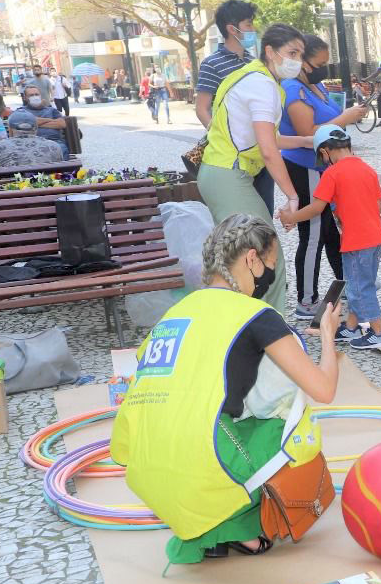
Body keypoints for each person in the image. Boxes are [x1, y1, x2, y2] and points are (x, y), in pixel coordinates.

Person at [111, 214, 341, 565]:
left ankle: (205, 526)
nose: (269, 276)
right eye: (270, 265)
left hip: (145, 467)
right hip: (204, 462)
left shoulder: (176, 312)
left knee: (216, 418)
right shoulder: (256, 315)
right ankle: (240, 527)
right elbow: (323, 389)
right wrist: (327, 333)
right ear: (251, 258)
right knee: (288, 423)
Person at [199, 23, 314, 310]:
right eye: (291, 52)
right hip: (228, 175)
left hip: (221, 173)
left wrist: (304, 140)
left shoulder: (253, 78)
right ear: (270, 51)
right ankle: (271, 329)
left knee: (238, 257)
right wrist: (293, 197)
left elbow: (266, 138)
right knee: (265, 250)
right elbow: (268, 149)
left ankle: (243, 324)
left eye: (300, 54)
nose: (296, 60)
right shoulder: (262, 84)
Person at [279, 34, 369, 319]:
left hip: (326, 166)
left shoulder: (315, 85)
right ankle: (306, 301)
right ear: (303, 62)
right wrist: (345, 118)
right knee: (314, 233)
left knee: (332, 232)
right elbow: (310, 131)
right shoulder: (293, 89)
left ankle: (348, 289)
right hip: (306, 166)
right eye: (319, 63)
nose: (323, 69)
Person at [280, 126, 381, 350]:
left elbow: (316, 208)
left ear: (325, 152)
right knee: (355, 284)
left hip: (357, 242)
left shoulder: (332, 173)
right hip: (374, 238)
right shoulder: (367, 169)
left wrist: (292, 216)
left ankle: (379, 332)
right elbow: (378, 205)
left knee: (361, 288)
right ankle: (351, 328)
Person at [197, 0, 258, 128]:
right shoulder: (211, 64)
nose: (253, 29)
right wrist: (220, 137)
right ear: (232, 29)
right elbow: (202, 110)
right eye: (248, 25)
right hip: (228, 144)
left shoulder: (253, 61)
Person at [0, 109, 64, 167]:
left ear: (10, 129)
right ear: (36, 129)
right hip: (44, 184)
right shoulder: (54, 146)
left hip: (7, 184)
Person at [18, 84, 68, 159]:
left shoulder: (51, 110)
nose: (35, 97)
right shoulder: (21, 111)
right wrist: (50, 120)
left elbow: (62, 124)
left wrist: (33, 123)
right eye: (31, 95)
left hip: (54, 142)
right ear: (25, 98)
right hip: (30, 143)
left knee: (61, 148)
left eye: (36, 94)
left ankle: (62, 170)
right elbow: (23, 123)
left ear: (40, 95)